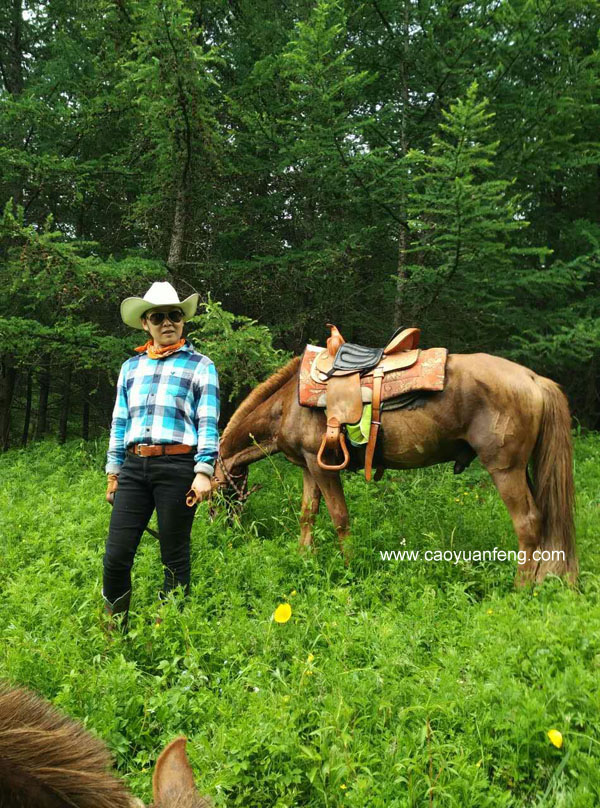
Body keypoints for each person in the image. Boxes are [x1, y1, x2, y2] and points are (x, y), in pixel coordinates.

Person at [103, 281, 220, 627]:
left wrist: (204, 471)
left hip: (178, 467)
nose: (167, 322)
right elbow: (119, 421)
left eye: (174, 315)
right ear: (145, 323)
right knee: (117, 555)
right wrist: (113, 473)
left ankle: (168, 629)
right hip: (134, 468)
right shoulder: (131, 368)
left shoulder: (201, 366)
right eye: (158, 317)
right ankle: (114, 627)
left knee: (174, 556)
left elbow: (208, 421)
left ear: (183, 321)